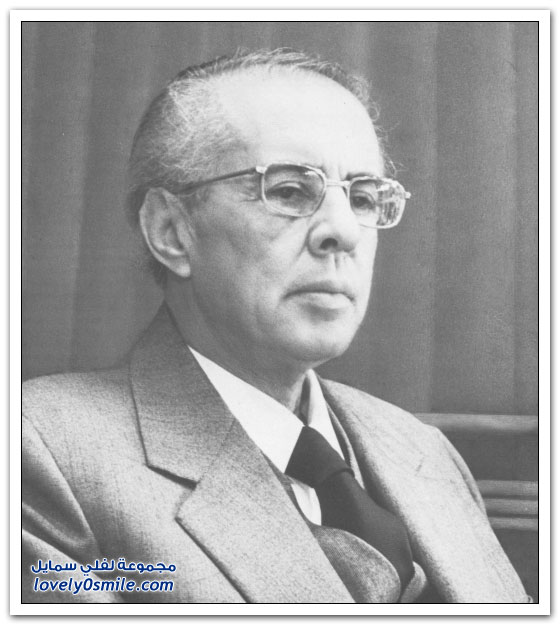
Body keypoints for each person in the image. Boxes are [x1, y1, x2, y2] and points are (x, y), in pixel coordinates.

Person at [21, 49, 530, 604]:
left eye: (363, 197)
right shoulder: (41, 452)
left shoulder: (424, 451)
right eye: (289, 191)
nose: (343, 231)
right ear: (171, 231)